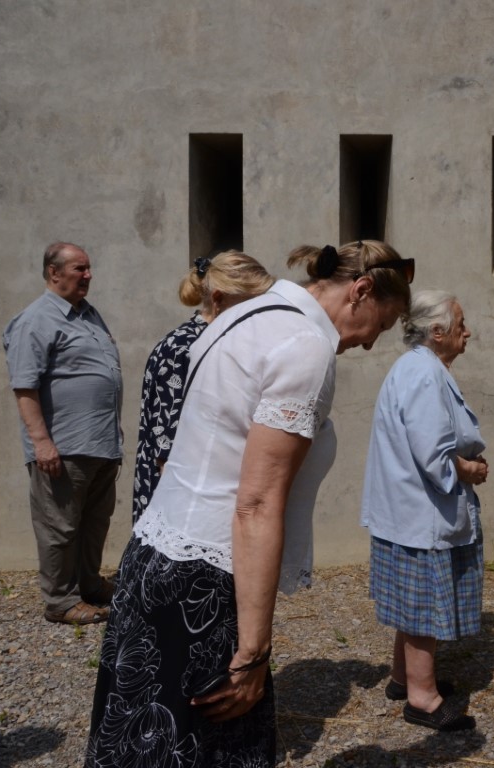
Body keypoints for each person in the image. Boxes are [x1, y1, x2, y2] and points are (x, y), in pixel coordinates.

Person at [87, 240, 412, 768]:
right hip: (205, 577)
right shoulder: (306, 345)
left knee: (141, 747)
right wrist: (254, 653)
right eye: (383, 323)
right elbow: (256, 503)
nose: (373, 341)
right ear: (361, 290)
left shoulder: (247, 312)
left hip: (152, 557)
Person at [361, 290, 488, 732]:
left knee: (412, 601)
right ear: (437, 332)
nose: (467, 332)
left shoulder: (419, 367)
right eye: (460, 325)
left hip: (410, 511)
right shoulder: (423, 373)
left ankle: (403, 678)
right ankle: (423, 699)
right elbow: (434, 456)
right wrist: (470, 469)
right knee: (424, 606)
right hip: (419, 513)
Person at [3, 242, 123, 625]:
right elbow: (25, 387)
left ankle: (88, 584)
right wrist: (41, 442)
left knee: (94, 522)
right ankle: (60, 601)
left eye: (88, 268)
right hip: (63, 446)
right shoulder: (35, 320)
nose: (88, 275)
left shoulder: (88, 314)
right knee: (60, 526)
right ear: (54, 272)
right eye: (79, 269)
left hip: (100, 443)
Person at [132, 251, 276, 523]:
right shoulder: (182, 349)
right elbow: (166, 447)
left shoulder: (215, 342)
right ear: (219, 300)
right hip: (178, 507)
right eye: (250, 305)